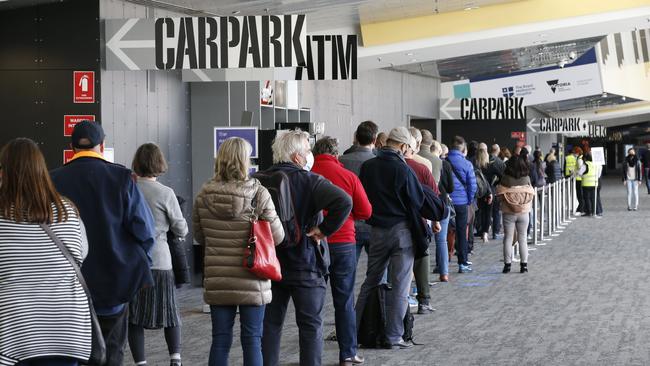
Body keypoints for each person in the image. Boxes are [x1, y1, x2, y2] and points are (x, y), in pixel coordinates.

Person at [50, 121, 156, 366]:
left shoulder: (53, 180)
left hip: (69, 288)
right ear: (102, 146)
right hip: (115, 285)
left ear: (71, 147)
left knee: (76, 354)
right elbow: (146, 232)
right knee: (112, 352)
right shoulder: (121, 177)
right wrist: (135, 267)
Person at [261, 130, 352, 366]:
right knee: (310, 326)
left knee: (269, 325)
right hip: (306, 263)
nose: (310, 156)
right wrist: (324, 231)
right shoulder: (310, 181)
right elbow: (344, 201)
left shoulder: (260, 179)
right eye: (308, 152)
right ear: (298, 157)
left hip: (269, 263)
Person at [193, 137, 284, 366]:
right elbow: (278, 237)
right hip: (252, 277)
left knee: (220, 340)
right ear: (245, 161)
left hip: (218, 278)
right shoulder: (259, 194)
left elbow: (199, 236)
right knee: (252, 339)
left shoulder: (204, 195)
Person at [0, 138, 92, 366]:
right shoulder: (68, 211)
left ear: (5, 173)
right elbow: (81, 254)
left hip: (16, 332)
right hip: (67, 327)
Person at [355, 127, 425, 349]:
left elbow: (363, 197)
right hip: (401, 231)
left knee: (370, 281)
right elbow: (417, 200)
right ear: (403, 147)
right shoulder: (403, 170)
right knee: (400, 286)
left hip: (376, 231)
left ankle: (353, 330)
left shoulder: (367, 167)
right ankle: (394, 335)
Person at [311, 137, 371, 366]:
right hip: (344, 242)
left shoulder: (308, 174)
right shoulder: (348, 176)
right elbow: (365, 211)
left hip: (315, 243)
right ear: (336, 155)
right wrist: (350, 217)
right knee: (344, 299)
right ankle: (347, 353)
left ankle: (312, 354)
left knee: (313, 301)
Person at [128, 143, 189, 366]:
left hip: (133, 262)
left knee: (134, 317)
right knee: (170, 312)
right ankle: (175, 359)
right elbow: (181, 229)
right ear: (159, 164)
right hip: (161, 260)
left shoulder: (128, 190)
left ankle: (141, 363)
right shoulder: (166, 193)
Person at [404, 135, 439, 314]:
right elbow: (434, 196)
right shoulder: (422, 167)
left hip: (392, 223)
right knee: (422, 256)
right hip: (419, 220)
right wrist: (436, 220)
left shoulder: (380, 165)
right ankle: (424, 300)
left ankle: (399, 300)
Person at [339, 121, 378, 263]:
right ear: (374, 140)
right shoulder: (379, 162)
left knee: (349, 270)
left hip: (348, 222)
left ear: (356, 138)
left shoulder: (341, 161)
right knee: (378, 271)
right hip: (374, 223)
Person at [496, 155, 535, 274]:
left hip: (509, 212)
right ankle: (524, 266)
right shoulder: (527, 178)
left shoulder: (505, 179)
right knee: (522, 238)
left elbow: (499, 194)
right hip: (523, 211)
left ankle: (507, 266)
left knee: (508, 237)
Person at [447, 136, 477, 273]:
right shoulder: (467, 164)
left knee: (443, 234)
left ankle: (441, 263)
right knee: (461, 232)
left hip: (447, 202)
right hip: (461, 202)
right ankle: (462, 262)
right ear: (463, 149)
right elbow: (472, 185)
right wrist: (469, 200)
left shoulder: (444, 161)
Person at [433, 140, 454, 282]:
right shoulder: (445, 164)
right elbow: (451, 187)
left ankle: (416, 274)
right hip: (442, 203)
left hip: (426, 203)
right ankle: (444, 272)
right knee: (441, 240)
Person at [486, 144, 506, 239]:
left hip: (485, 188)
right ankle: (496, 232)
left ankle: (484, 231)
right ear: (498, 151)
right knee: (496, 211)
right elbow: (503, 176)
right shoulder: (499, 162)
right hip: (494, 188)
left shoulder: (485, 160)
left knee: (486, 211)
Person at [475, 145, 492, 243]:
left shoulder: (475, 166)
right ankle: (485, 233)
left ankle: (479, 230)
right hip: (489, 192)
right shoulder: (490, 166)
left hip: (479, 193)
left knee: (479, 212)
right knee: (488, 213)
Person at [578, 153, 598, 217]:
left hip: (586, 184)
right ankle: (593, 211)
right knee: (593, 198)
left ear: (585, 158)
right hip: (594, 183)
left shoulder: (585, 165)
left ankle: (588, 212)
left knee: (587, 198)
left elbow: (580, 173)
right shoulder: (595, 164)